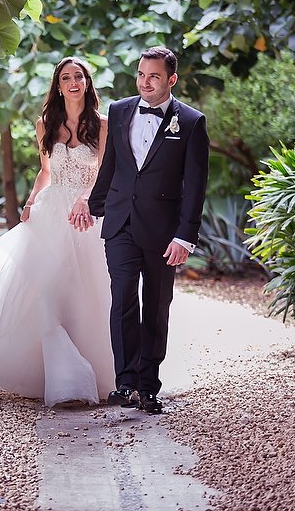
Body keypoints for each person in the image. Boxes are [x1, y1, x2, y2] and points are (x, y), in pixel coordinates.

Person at [0, 57, 115, 407]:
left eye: (78, 76)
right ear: (57, 84)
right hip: (50, 214)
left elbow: (101, 173)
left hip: (86, 215)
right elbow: (46, 171)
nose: (72, 82)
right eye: (65, 77)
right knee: (47, 292)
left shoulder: (102, 124)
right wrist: (30, 201)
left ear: (87, 82)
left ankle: (100, 376)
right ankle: (62, 379)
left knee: (88, 294)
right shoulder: (45, 124)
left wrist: (84, 199)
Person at [87, 46, 209, 414]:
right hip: (120, 222)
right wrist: (94, 206)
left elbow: (195, 184)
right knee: (123, 298)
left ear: (171, 79)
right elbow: (112, 165)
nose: (145, 82)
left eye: (153, 76)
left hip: (164, 230)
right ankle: (125, 383)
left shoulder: (190, 122)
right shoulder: (120, 109)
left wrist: (185, 235)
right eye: (141, 74)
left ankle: (148, 385)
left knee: (156, 305)